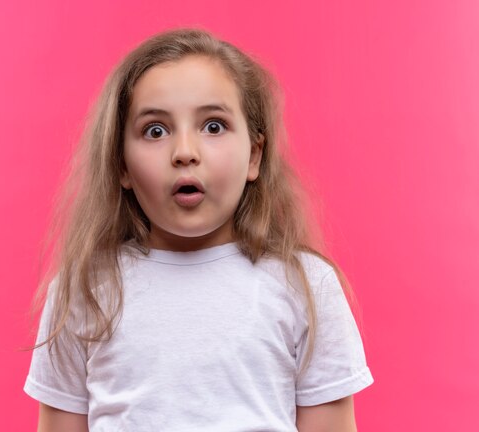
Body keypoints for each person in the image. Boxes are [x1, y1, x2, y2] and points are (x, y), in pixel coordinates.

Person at [23, 27, 374, 431]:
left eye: (213, 126)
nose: (185, 153)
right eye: (155, 130)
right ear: (121, 164)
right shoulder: (83, 289)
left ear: (254, 157)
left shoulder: (306, 285)